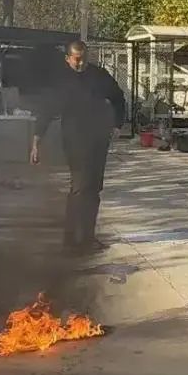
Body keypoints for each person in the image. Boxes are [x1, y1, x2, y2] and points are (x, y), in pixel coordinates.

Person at [30, 40, 126, 254]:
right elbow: (46, 111)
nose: (81, 63)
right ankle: (71, 238)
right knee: (81, 186)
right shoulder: (62, 81)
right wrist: (36, 141)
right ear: (68, 58)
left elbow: (118, 98)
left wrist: (118, 124)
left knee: (94, 188)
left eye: (84, 58)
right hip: (74, 139)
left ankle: (88, 237)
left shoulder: (99, 76)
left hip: (99, 138)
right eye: (77, 59)